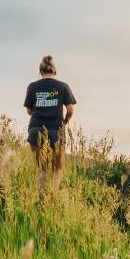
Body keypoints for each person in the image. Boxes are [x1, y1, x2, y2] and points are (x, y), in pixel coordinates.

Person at [24, 55, 76, 187]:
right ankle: (52, 201)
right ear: (55, 71)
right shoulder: (63, 86)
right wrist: (65, 121)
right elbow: (70, 110)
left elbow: (29, 111)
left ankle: (42, 201)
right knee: (57, 169)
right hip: (56, 130)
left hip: (36, 129)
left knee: (42, 168)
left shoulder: (32, 86)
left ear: (40, 71)